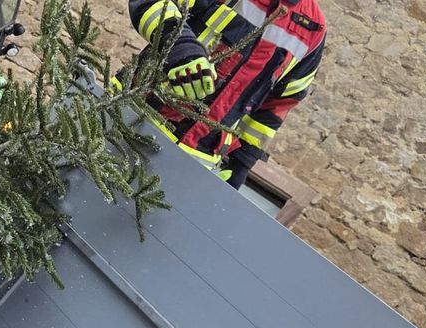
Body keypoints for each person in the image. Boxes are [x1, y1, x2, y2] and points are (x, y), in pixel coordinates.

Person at [123, 0, 326, 188]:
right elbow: (153, 3)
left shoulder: (313, 28)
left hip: (197, 163)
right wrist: (182, 48)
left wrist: (240, 162)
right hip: (132, 116)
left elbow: (276, 105)